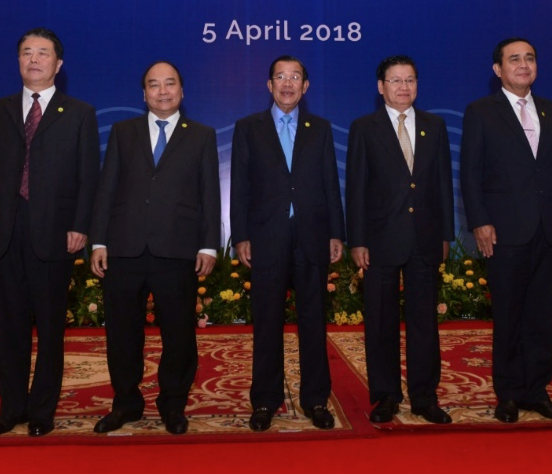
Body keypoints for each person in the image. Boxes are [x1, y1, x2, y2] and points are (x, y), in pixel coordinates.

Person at [0, 27, 100, 437]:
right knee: (9, 327)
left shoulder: (79, 112)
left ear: (58, 65)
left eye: (43, 53)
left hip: (56, 232)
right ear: (19, 61)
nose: (34, 59)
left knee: (49, 327)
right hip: (6, 228)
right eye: (27, 52)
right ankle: (10, 409)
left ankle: (42, 411)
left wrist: (81, 225)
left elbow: (87, 177)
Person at [89, 61, 220, 435]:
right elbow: (106, 189)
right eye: (153, 85)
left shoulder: (202, 135)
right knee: (122, 334)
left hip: (177, 249)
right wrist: (99, 240)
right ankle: (126, 404)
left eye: (170, 84)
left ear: (182, 90)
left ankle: (173, 405)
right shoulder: (122, 131)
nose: (162, 91)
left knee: (179, 335)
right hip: (124, 249)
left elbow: (209, 193)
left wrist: (209, 245)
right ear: (143, 93)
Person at [460, 37, 552, 424]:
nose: (524, 64)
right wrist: (479, 220)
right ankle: (508, 393)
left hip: (548, 228)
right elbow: (470, 172)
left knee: (543, 316)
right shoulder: (481, 111)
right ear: (498, 69)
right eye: (514, 59)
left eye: (530, 57)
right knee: (509, 315)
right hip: (504, 230)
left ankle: (537, 390)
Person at [230, 55, 345, 432]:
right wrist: (242, 235)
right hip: (266, 238)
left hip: (312, 237)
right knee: (267, 324)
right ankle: (265, 400)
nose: (287, 83)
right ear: (269, 85)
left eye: (295, 77)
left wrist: (335, 232)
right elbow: (241, 187)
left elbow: (330, 183)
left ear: (306, 86)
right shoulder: (249, 128)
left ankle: (316, 400)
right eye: (280, 76)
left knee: (314, 324)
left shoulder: (321, 128)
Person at [345, 54, 455, 425]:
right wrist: (357, 240)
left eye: (410, 80)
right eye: (395, 80)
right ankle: (386, 396)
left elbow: (442, 184)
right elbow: (356, 189)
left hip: (425, 238)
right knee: (381, 322)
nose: (404, 87)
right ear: (381, 87)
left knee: (425, 322)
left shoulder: (434, 125)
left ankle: (425, 396)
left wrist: (445, 234)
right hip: (379, 240)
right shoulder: (365, 127)